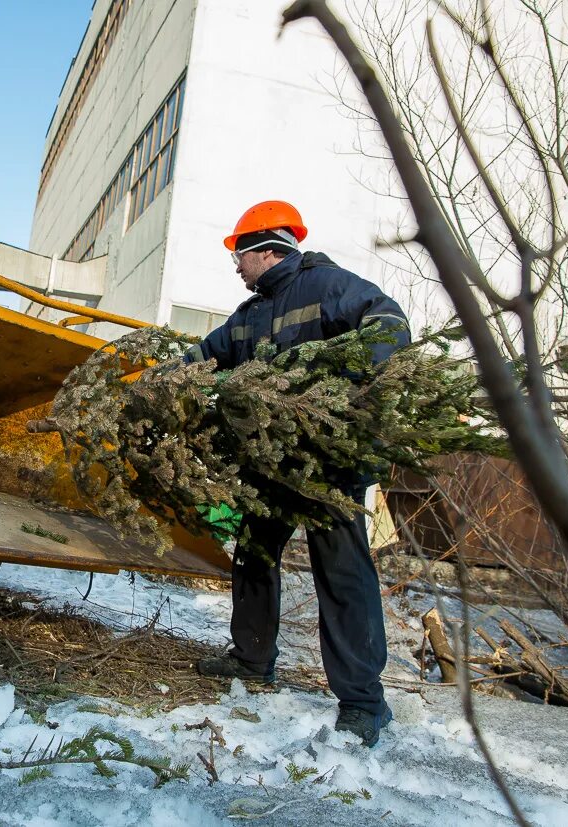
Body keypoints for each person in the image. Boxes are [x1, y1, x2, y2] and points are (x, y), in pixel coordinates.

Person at [187, 200, 410, 748]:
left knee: (340, 569)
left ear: (265, 250)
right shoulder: (248, 316)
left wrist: (341, 393)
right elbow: (205, 355)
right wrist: (161, 380)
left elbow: (389, 323)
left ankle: (363, 702)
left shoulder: (329, 285)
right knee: (255, 554)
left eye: (239, 256)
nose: (236, 268)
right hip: (272, 464)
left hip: (330, 463)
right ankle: (252, 659)